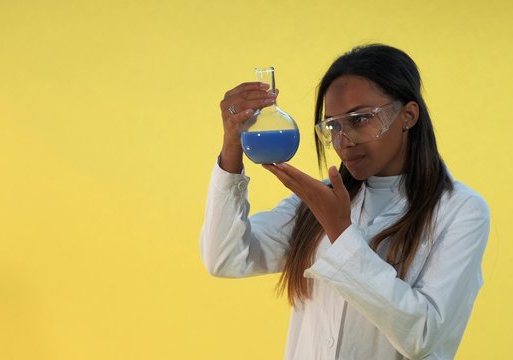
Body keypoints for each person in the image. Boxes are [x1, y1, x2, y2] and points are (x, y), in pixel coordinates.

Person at [200, 44, 490, 360]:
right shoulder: (319, 203)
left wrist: (340, 231)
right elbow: (226, 258)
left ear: (408, 115)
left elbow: (422, 336)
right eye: (334, 125)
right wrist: (232, 150)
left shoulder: (461, 211)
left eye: (360, 118)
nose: (344, 140)